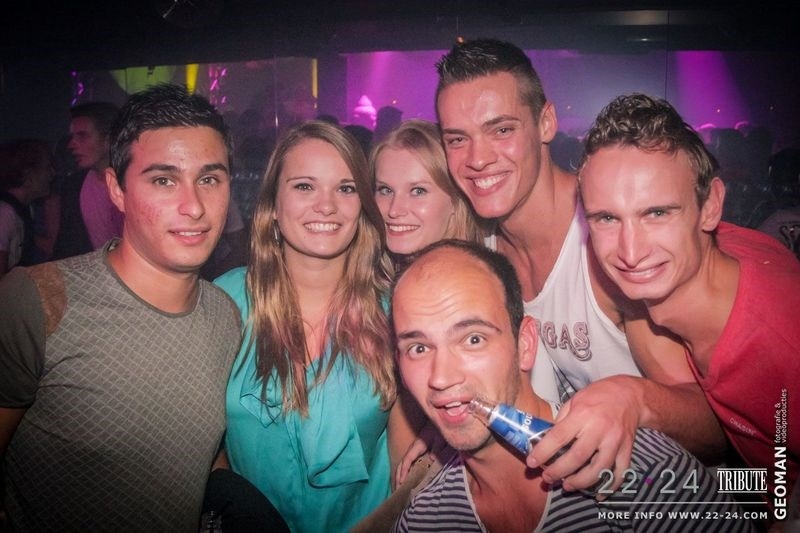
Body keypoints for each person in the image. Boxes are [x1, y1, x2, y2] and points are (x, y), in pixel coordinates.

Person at [434, 38, 725, 492]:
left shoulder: (613, 243)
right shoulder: (483, 251)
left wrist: (633, 398)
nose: (478, 158)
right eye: (457, 139)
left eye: (501, 130)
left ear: (546, 122)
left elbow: (718, 427)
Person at [0, 83, 241, 530]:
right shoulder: (38, 301)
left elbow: (194, 446)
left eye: (210, 179)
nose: (194, 206)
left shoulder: (227, 315)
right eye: (163, 180)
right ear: (116, 188)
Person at [390, 240, 754, 532]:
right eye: (418, 348)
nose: (441, 377)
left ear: (525, 345)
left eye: (473, 339)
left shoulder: (644, 476)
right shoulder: (424, 519)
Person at [578, 93, 800, 511]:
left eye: (657, 213)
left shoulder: (780, 346)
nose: (630, 252)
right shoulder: (731, 248)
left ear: (710, 206)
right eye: (607, 218)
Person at [214, 120, 405, 533]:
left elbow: (412, 461)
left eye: (346, 188)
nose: (327, 206)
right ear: (272, 204)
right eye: (304, 186)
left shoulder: (397, 312)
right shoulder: (224, 302)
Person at [371, 119, 483, 261]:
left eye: (418, 191)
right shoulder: (374, 269)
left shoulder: (467, 274)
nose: (394, 210)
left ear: (456, 199)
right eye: (386, 190)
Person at [52, 101, 123, 259]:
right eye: (72, 137)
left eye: (82, 136)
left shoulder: (135, 184)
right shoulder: (73, 187)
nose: (71, 144)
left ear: (109, 139)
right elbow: (66, 246)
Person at [0, 138, 54, 276]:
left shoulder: (26, 209)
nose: (52, 174)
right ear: (28, 176)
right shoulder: (5, 213)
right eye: (47, 168)